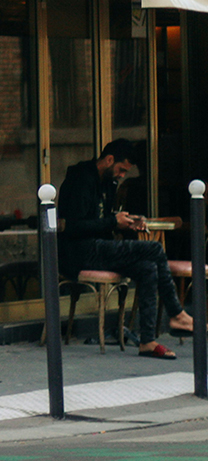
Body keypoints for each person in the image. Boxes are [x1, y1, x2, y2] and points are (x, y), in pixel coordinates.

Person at [58, 139, 194, 359]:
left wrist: (129, 220)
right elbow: (73, 226)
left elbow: (105, 219)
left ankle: (147, 341)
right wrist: (113, 222)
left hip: (100, 248)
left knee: (147, 267)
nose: (122, 175)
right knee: (154, 250)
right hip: (77, 252)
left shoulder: (109, 183)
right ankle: (177, 313)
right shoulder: (81, 179)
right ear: (109, 160)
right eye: (121, 169)